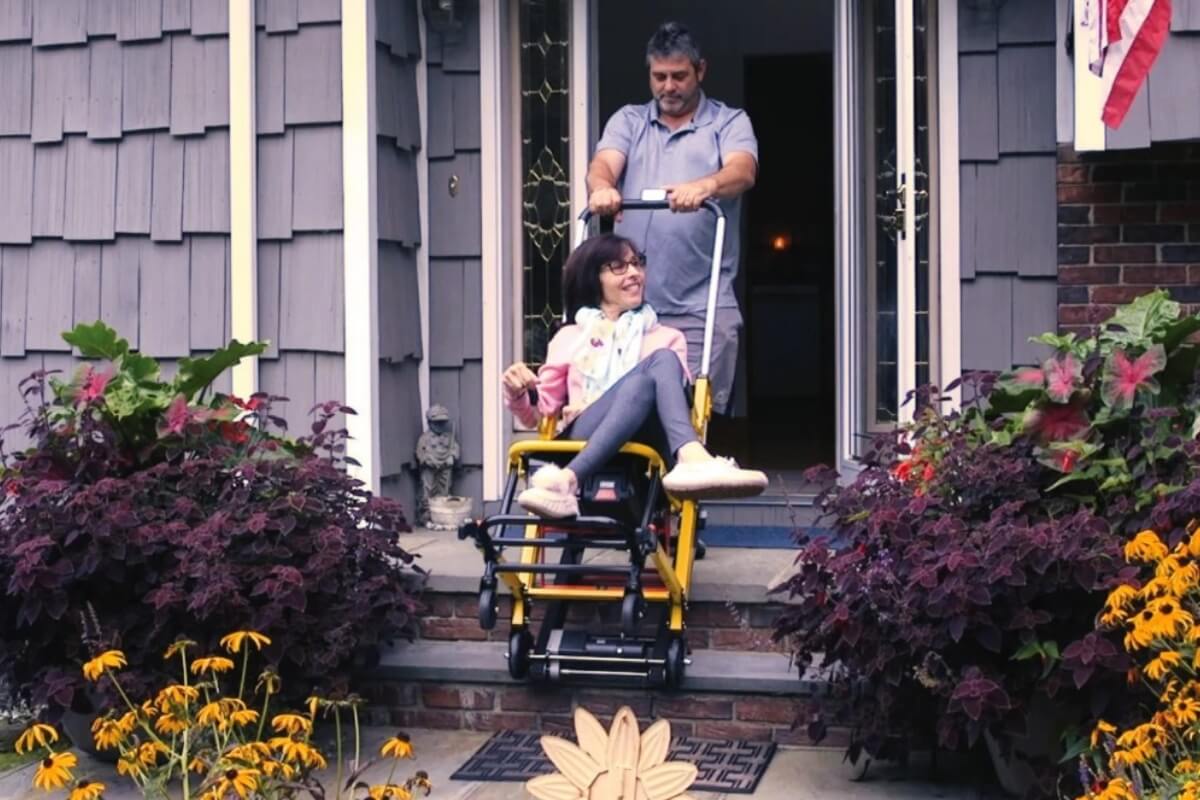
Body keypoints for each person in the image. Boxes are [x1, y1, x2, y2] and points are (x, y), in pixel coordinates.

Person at [502, 234, 767, 519]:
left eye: (636, 263)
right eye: (618, 266)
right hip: (583, 437)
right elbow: (538, 413)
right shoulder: (569, 337)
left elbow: (672, 407)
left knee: (649, 375)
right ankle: (692, 457)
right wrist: (518, 391)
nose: (634, 273)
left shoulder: (668, 338)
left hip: (645, 446)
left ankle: (567, 481)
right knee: (651, 372)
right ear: (593, 278)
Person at [586, 21, 757, 417]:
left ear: (701, 70)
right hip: (631, 304)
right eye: (659, 77)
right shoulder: (629, 120)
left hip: (701, 303)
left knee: (695, 411)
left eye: (679, 76)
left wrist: (705, 186)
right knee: (628, 410)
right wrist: (602, 188)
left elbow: (743, 171)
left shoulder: (728, 122)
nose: (668, 87)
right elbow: (603, 165)